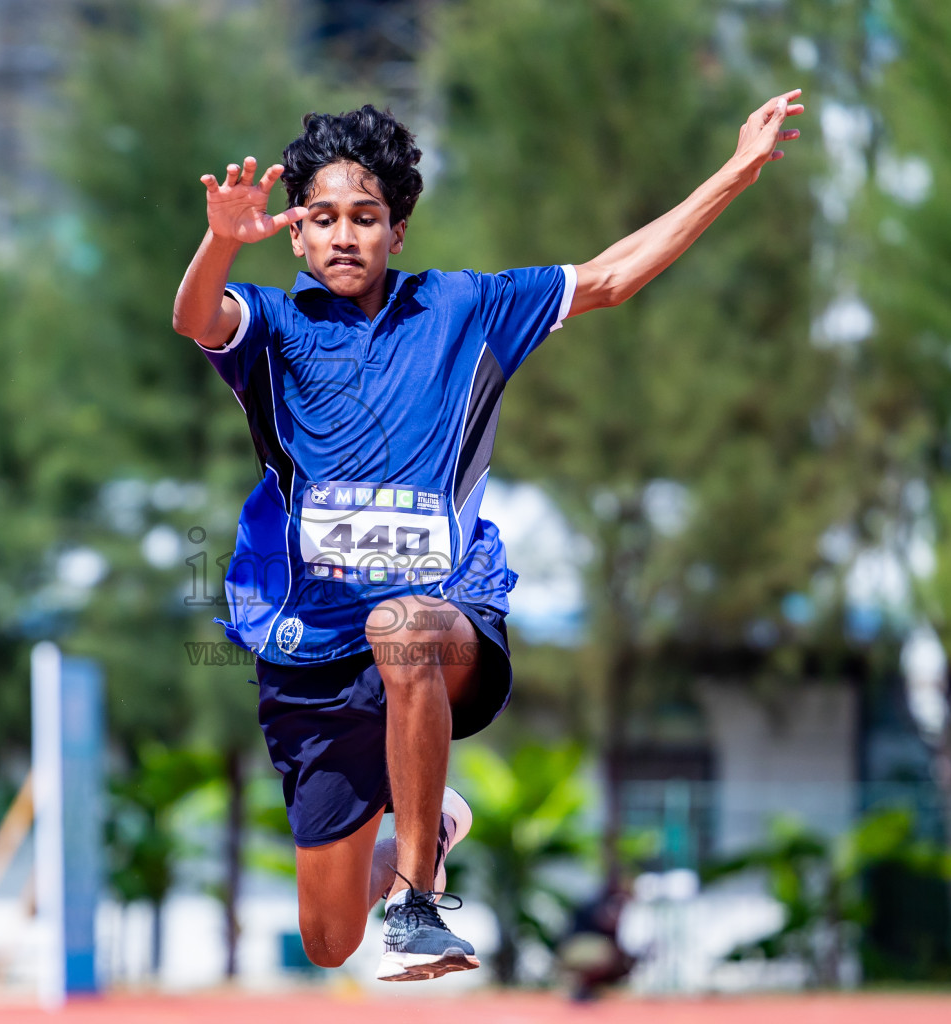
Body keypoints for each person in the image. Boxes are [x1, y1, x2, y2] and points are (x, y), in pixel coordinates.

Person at [171, 92, 803, 981]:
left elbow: (613, 276)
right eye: (323, 219)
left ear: (399, 231)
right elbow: (196, 319)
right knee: (326, 940)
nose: (345, 235)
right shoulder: (272, 328)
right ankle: (430, 821)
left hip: (444, 616)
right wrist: (221, 241)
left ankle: (419, 903)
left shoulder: (466, 309)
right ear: (297, 235)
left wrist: (735, 173)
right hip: (308, 646)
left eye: (367, 217)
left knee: (405, 627)